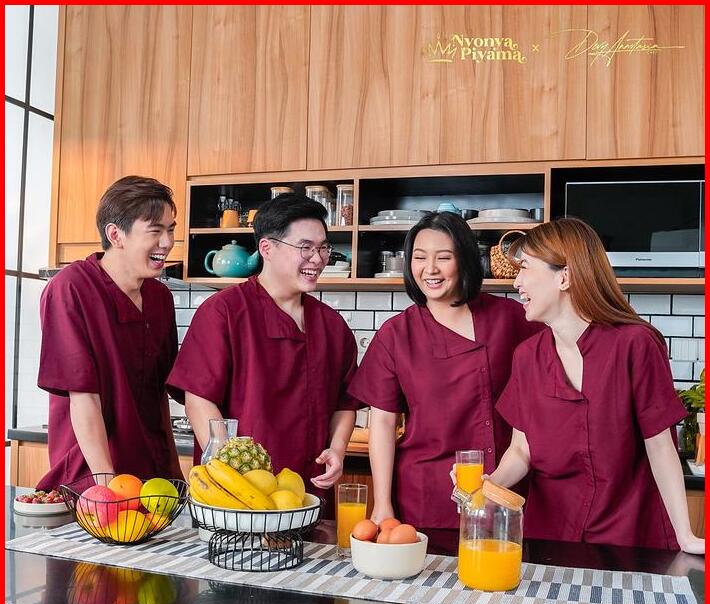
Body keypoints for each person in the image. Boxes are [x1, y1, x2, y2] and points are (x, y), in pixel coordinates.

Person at [488, 218, 703, 554]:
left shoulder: (635, 344)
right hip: (551, 538)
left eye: (525, 268)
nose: (516, 282)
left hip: (628, 537)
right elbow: (521, 449)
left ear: (564, 277)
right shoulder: (527, 356)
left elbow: (661, 447)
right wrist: (488, 485)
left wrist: (684, 535)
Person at [167, 194, 359, 515]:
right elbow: (198, 399)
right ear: (267, 248)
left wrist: (337, 450)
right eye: (305, 247)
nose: (317, 259)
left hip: (309, 493)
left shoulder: (332, 325)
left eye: (323, 248)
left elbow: (345, 402)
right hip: (238, 498)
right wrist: (230, 476)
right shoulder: (224, 312)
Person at [347, 212, 542, 529]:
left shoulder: (512, 318)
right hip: (428, 494)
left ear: (465, 259)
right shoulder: (396, 334)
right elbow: (382, 423)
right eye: (419, 257)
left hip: (506, 487)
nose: (430, 269)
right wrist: (382, 503)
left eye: (444, 257)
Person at [36, 176, 182, 492]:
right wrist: (107, 487)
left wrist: (173, 471)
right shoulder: (70, 288)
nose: (167, 242)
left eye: (170, 230)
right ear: (116, 235)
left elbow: (158, 394)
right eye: (155, 230)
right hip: (92, 478)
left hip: (152, 478)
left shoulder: (160, 298)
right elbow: (83, 396)